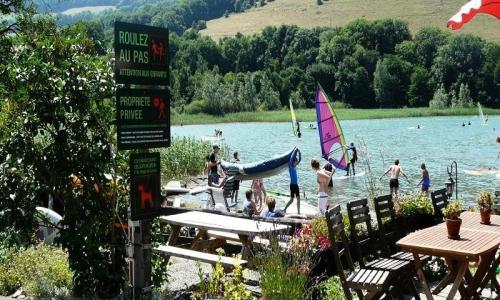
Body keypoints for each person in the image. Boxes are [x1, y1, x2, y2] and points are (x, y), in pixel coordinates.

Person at [284, 148, 301, 213]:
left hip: (296, 185)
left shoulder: (294, 166)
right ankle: (285, 209)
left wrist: (299, 152)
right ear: (293, 162)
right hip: (292, 185)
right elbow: (291, 158)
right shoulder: (290, 166)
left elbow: (300, 159)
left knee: (298, 198)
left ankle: (298, 212)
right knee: (292, 200)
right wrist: (295, 150)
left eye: (296, 163)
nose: (296, 164)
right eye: (295, 163)